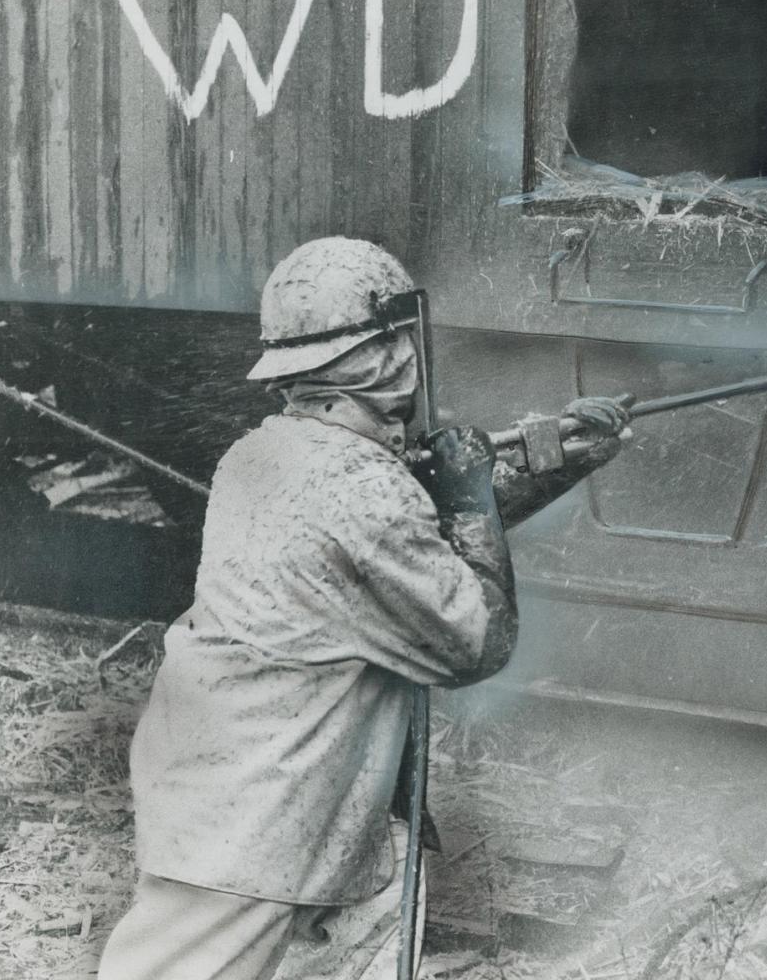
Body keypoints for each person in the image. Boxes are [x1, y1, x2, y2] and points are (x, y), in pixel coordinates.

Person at [97, 237, 631, 980]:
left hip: (284, 788)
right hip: (258, 816)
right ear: (388, 359)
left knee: (370, 934)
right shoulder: (361, 489)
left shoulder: (265, 453)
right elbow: (473, 638)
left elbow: (408, 546)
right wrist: (471, 492)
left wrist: (563, 457)